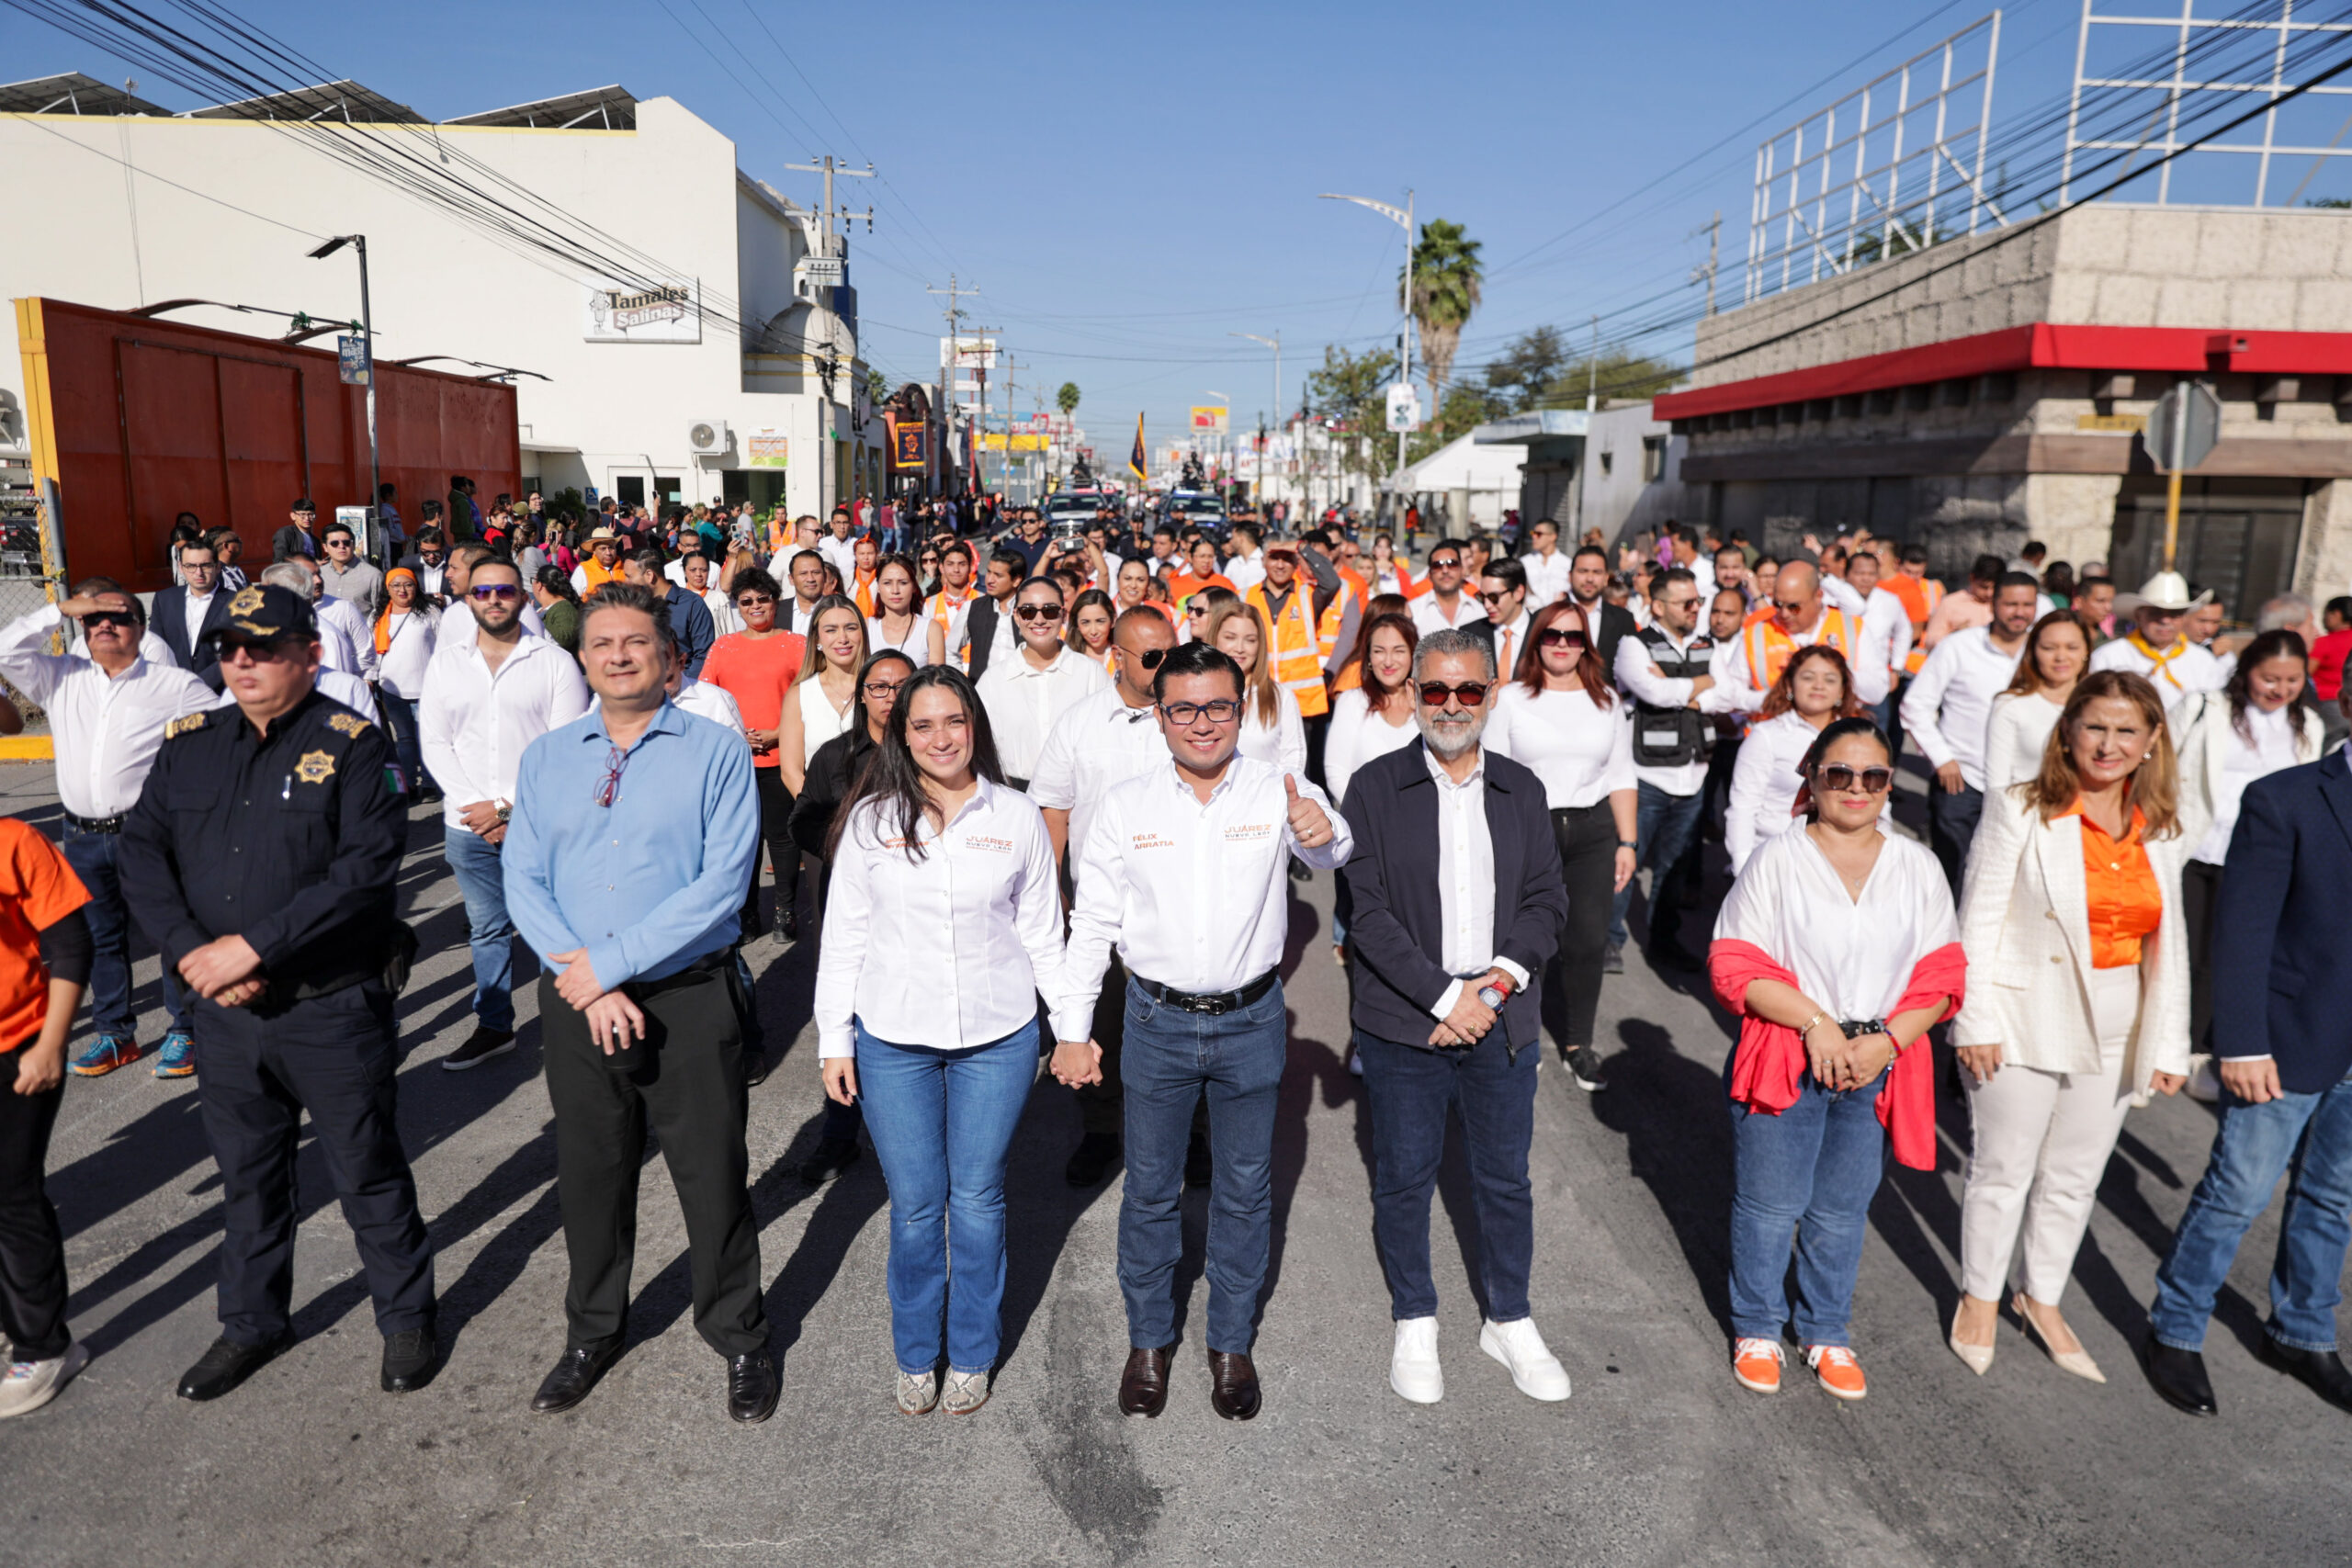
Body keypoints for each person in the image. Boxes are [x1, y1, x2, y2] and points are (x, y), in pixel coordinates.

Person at [119, 583, 438, 1402]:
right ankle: (252, 1323)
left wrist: (252, 946)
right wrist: (195, 956)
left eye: (262, 647)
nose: (243, 662)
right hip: (225, 1013)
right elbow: (143, 856)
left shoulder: (355, 743)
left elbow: (362, 874)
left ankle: (405, 1319)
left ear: (310, 653)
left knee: (365, 1168)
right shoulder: (190, 741)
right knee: (249, 1175)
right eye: (229, 648)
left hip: (327, 1006)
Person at [1054, 641, 1352, 1422]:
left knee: (1247, 1191)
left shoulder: (1273, 787)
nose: (1202, 722)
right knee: (1149, 1190)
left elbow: (1333, 846)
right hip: (1154, 1019)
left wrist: (1317, 829)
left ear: (1239, 704)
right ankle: (1150, 1338)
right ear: (1159, 716)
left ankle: (1230, 1341)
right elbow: (1092, 925)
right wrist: (1074, 1029)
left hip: (1251, 1019)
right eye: (1182, 707)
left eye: (1217, 705)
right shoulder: (1126, 804)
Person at [502, 582, 775, 1423]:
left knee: (711, 1173)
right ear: (581, 659)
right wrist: (584, 979)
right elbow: (523, 876)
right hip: (579, 1000)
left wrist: (607, 966)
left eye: (636, 642)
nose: (618, 655)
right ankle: (593, 1329)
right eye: (601, 644)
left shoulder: (714, 749)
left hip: (688, 994)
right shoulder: (548, 757)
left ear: (670, 657)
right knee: (590, 1170)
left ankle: (739, 1333)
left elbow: (722, 887)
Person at [810, 666, 1065, 1416]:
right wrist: (835, 1040)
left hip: (998, 1035)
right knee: (918, 1206)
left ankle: (976, 1348)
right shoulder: (870, 821)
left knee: (979, 1199)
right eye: (922, 725)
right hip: (894, 1039)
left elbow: (1044, 933)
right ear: (901, 734)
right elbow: (845, 938)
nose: (940, 737)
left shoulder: (1015, 815)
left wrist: (1073, 1028)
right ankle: (917, 1350)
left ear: (975, 725)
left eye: (953, 721)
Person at [1338, 627, 1573, 1405]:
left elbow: (1547, 901)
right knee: (1403, 1177)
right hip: (1408, 1021)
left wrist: (1491, 992)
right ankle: (1416, 1315)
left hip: (1500, 1017)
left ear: (1492, 694)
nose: (1449, 705)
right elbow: (1364, 914)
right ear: (1410, 696)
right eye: (1433, 690)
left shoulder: (1522, 788)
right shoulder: (1372, 788)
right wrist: (1446, 999)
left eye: (1467, 690)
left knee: (1504, 1179)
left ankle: (1508, 1315)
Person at [1706, 717, 1963, 1401]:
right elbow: (1734, 963)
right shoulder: (1778, 859)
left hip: (1879, 1059)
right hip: (1788, 1051)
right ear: (1812, 780)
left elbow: (1942, 978)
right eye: (1838, 774)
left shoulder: (1918, 865)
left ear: (1888, 785)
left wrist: (1886, 1040)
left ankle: (1825, 1329)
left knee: (1842, 1211)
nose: (1856, 788)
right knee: (1769, 1203)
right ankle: (1757, 1324)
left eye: (1874, 776)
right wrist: (1816, 1022)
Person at [1947, 671, 2188, 1382]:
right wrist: (1974, 1019)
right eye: (2095, 726)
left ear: (2151, 743)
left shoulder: (2163, 827)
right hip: (2021, 1014)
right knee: (2002, 1167)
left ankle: (2041, 1296)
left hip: (2118, 1021)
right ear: (2068, 731)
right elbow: (1978, 920)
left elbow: (2167, 950)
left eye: (2126, 731)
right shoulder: (2019, 807)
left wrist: (2168, 1041)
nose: (2108, 744)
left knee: (2075, 1176)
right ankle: (1981, 1297)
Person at [2140, 660, 2352, 1419]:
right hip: (2286, 1038)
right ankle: (2176, 1326)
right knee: (2237, 1193)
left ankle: (2299, 1331)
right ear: (2348, 701)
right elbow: (2243, 933)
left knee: (2334, 1198)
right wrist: (2241, 1042)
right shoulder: (2285, 799)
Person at [0, 584, 212, 1077]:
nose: (103, 626)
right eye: (93, 620)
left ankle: (185, 1032)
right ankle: (116, 1035)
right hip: (80, 837)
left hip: (148, 834)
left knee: (168, 931)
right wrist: (60, 610)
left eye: (116, 618)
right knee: (98, 938)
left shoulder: (174, 685)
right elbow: (6, 649)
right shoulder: (62, 676)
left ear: (141, 630)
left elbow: (227, 743)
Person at [418, 558, 589, 1070]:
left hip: (536, 823)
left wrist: (507, 807)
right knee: (486, 930)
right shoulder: (445, 663)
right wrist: (477, 807)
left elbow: (563, 748)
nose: (493, 599)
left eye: (505, 591)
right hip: (466, 825)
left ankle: (565, 1028)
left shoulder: (555, 663)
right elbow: (434, 742)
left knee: (548, 930)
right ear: (467, 600)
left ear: (524, 597)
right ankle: (494, 1026)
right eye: (482, 591)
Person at [1484, 601, 1635, 1088]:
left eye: (1574, 636)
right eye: (1552, 635)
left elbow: (1620, 773)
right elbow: (1493, 772)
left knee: (1588, 941)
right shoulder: (1510, 698)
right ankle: (1524, 1035)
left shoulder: (1607, 700)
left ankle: (1577, 1043)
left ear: (1587, 644)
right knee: (1530, 939)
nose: (1563, 645)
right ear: (1537, 640)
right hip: (1532, 827)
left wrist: (1627, 841)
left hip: (1593, 830)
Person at [2169, 629, 2324, 1101]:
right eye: (2269, 678)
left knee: (2234, 953)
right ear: (2246, 672)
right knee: (2186, 951)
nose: (2279, 689)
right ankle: (2179, 1046)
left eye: (2292, 680)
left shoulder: (2309, 726)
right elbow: (2162, 771)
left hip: (2264, 861)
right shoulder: (2204, 708)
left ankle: (2212, 1048)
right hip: (2199, 848)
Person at [1611, 566, 1751, 974]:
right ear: (1658, 605)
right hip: (1646, 775)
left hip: (1694, 774)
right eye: (1687, 602)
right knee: (1626, 862)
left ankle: (1663, 940)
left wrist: (1689, 691)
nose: (1696, 609)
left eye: (1697, 601)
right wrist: (1702, 682)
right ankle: (1608, 941)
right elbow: (1653, 692)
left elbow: (1725, 698)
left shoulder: (1707, 645)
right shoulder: (1633, 645)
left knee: (1673, 868)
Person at [0, 817, 94, 1419]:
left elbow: (71, 944)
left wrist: (52, 1042)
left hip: (17, 1046)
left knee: (10, 1194)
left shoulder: (14, 841)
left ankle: (44, 1345)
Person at [1901, 571, 2041, 895]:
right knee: (1955, 873)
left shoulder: (2043, 652)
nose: (2019, 612)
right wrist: (1942, 759)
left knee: (2010, 877)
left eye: (2027, 605)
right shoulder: (1959, 648)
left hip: (2022, 785)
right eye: (2010, 604)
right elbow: (1916, 706)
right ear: (1993, 605)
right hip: (1962, 781)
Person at [702, 567, 808, 943]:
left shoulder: (796, 643)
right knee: (742, 842)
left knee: (781, 839)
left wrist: (779, 733)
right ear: (737, 606)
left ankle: (784, 911)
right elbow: (706, 700)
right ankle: (747, 915)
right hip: (736, 763)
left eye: (763, 598)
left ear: (775, 600)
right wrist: (736, 737)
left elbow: (810, 698)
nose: (756, 606)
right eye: (746, 601)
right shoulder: (723, 646)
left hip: (783, 757)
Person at [1724, 646, 1865, 878]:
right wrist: (1743, 870)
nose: (1818, 686)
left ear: (1842, 690)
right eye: (1808, 678)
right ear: (1790, 685)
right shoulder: (1766, 736)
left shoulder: (1859, 739)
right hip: (1776, 863)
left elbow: (1878, 805)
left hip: (1842, 865)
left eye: (1830, 679)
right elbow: (1742, 808)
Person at [976, 576, 1111, 789]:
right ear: (1017, 616)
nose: (1039, 620)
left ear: (1063, 615)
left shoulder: (1091, 674)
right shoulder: (993, 680)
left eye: (1049, 610)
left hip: (1077, 795)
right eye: (1028, 611)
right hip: (1012, 794)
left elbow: (1107, 741)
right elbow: (979, 746)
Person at [1982, 612, 2091, 793]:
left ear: (2086, 650)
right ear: (2033, 651)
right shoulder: (2010, 705)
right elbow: (1996, 786)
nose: (2061, 657)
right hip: (2025, 814)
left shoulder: (2100, 706)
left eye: (2072, 647)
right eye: (2049, 648)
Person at [1202, 600, 1306, 775]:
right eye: (1230, 638)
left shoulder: (1281, 696)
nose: (1240, 648)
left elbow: (1293, 757)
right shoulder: (1195, 692)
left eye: (1250, 640)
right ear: (1215, 639)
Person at [778, 595, 869, 797]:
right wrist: (817, 814)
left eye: (851, 628)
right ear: (817, 639)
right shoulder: (800, 695)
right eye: (831, 630)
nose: (842, 638)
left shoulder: (880, 689)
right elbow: (791, 771)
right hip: (821, 818)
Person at [2090, 571, 2229, 696]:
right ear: (2139, 616)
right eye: (2155, 612)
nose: (2165, 620)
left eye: (2174, 614)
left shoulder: (2202, 661)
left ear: (2184, 618)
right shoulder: (2109, 656)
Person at [371, 568, 439, 798]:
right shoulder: (377, 616)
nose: (402, 590)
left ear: (416, 586)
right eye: (396, 585)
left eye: (408, 584)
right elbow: (371, 652)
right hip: (393, 688)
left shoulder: (430, 612)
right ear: (387, 589)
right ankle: (409, 784)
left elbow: (444, 647)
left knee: (427, 739)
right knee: (405, 740)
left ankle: (430, 784)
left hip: (426, 688)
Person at [620, 548, 715, 678]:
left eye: (629, 576)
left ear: (649, 575)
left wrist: (683, 687)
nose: (626, 582)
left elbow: (704, 656)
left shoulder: (692, 604)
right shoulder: (633, 606)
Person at [152, 537, 232, 682]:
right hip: (175, 688)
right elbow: (156, 646)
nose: (198, 572)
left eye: (206, 565)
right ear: (181, 567)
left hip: (221, 690)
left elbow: (235, 652)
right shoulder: (165, 599)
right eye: (191, 566)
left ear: (218, 567)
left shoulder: (236, 602)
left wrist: (200, 684)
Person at [865, 554, 929, 666]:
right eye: (887, 583)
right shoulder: (866, 627)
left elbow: (937, 680)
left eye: (903, 583)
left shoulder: (930, 629)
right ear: (878, 587)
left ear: (914, 586)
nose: (895, 590)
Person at [1409, 542, 1485, 635]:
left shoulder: (1480, 611)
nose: (1445, 570)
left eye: (1452, 564)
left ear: (1461, 569)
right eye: (1437, 565)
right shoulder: (1412, 611)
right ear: (1430, 573)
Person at [319, 520, 382, 609]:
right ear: (325, 547)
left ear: (353, 545)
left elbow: (381, 611)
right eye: (334, 543)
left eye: (346, 542)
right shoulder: (318, 575)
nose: (341, 546)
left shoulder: (373, 575)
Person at [1520, 519, 1572, 607]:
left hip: (1558, 615)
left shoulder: (1568, 564)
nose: (1534, 537)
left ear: (1553, 536)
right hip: (1531, 615)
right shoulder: (1524, 562)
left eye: (1539, 534)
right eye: (1533, 533)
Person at [531, 566, 582, 656]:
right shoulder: (544, 609)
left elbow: (565, 639)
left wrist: (535, 620)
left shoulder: (564, 608)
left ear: (539, 585)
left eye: (533, 580)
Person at [568, 526, 626, 597]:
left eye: (611, 548)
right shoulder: (583, 570)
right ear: (594, 551)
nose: (608, 553)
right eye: (603, 549)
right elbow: (572, 598)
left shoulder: (625, 568)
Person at [270, 499, 318, 563]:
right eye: (302, 514)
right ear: (293, 516)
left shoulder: (315, 540)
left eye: (310, 514)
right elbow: (279, 561)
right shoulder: (285, 533)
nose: (307, 518)